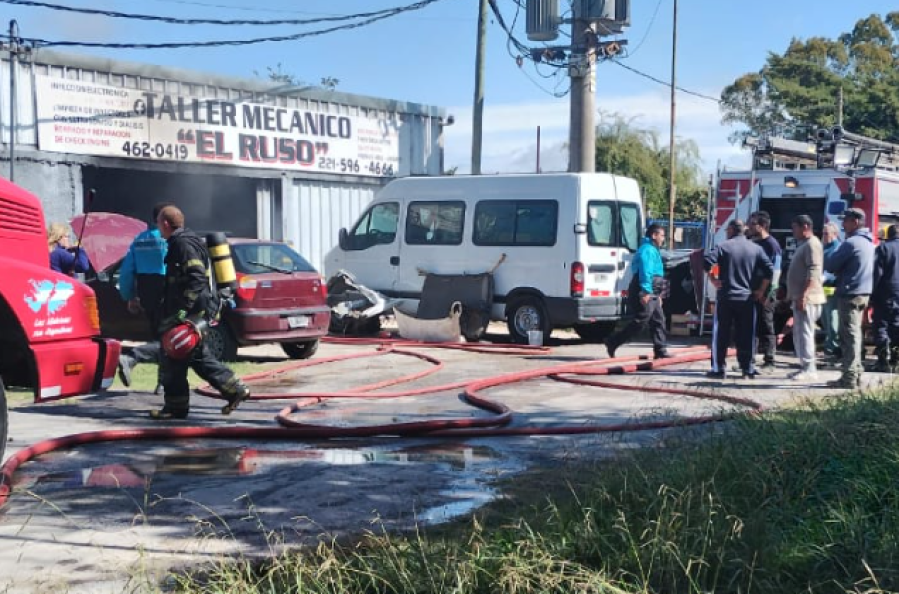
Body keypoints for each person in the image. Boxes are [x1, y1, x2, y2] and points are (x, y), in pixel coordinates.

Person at [151, 205, 250, 420]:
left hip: (190, 312)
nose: (157, 227)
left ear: (166, 224)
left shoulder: (183, 244)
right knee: (197, 357)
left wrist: (182, 310)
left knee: (174, 355)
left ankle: (175, 408)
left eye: (158, 223)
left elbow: (196, 277)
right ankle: (234, 389)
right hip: (196, 310)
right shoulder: (185, 240)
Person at [704, 219, 774, 379]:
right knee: (747, 334)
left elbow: (706, 261)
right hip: (747, 299)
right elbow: (770, 270)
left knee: (721, 334)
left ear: (731, 230)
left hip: (726, 297)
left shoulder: (723, 247)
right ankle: (747, 369)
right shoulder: (756, 249)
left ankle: (718, 369)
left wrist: (713, 279)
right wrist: (761, 290)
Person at [116, 203, 172, 392]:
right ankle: (133, 357)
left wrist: (130, 296)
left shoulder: (139, 240)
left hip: (148, 295)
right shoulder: (170, 240)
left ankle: (163, 383)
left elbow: (126, 272)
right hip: (167, 292)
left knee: (161, 337)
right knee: (169, 340)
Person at [823, 207, 874, 389]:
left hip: (850, 294)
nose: (843, 225)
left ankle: (849, 378)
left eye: (846, 221)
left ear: (856, 222)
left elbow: (830, 264)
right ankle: (857, 373)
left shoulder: (851, 243)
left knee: (848, 336)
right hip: (864, 292)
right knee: (855, 334)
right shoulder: (869, 242)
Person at [604, 223, 671, 360]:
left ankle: (660, 350)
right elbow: (645, 271)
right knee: (641, 320)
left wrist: (657, 294)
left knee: (659, 319)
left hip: (653, 288)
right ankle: (613, 341)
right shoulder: (647, 250)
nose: (663, 238)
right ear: (654, 235)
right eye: (662, 235)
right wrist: (646, 291)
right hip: (645, 287)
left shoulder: (653, 249)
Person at [784, 215, 825, 381]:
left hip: (808, 298)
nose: (793, 231)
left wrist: (804, 295)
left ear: (805, 226)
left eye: (795, 227)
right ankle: (804, 366)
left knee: (805, 333)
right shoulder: (805, 245)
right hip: (801, 297)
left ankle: (809, 368)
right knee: (799, 333)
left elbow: (813, 271)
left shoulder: (812, 244)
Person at [747, 211, 782, 371]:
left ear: (761, 226)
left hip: (766, 293)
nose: (749, 226)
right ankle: (749, 360)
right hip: (752, 290)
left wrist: (764, 292)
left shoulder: (772, 245)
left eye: (753, 223)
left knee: (766, 325)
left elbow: (775, 272)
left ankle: (770, 360)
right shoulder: (753, 242)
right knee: (751, 325)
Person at [869, 224, 899, 372]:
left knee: (881, 326)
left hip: (885, 293)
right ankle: (896, 360)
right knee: (896, 326)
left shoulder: (884, 248)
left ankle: (882, 362)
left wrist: (871, 294)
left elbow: (877, 274)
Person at [820, 222, 842, 358]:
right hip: (823, 288)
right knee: (825, 318)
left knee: (832, 318)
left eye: (826, 233)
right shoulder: (825, 248)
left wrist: (826, 276)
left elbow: (836, 269)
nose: (824, 236)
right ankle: (829, 343)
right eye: (823, 233)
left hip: (832, 288)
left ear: (835, 234)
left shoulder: (837, 248)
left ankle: (833, 346)